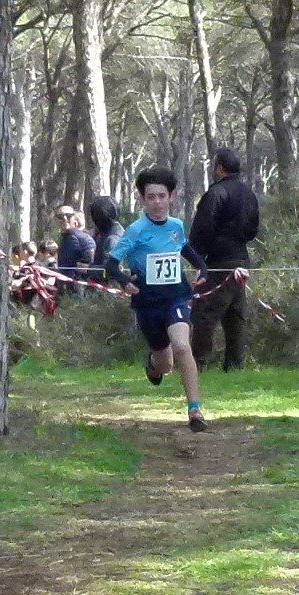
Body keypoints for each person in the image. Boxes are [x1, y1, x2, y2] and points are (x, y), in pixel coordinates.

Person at [106, 166, 209, 432]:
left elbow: (184, 249)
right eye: (151, 197)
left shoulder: (176, 226)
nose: (157, 202)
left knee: (182, 346)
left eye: (162, 196)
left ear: (171, 197)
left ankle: (195, 410)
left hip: (176, 297)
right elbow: (111, 264)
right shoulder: (136, 230)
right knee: (165, 364)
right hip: (148, 303)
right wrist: (125, 281)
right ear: (143, 199)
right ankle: (153, 365)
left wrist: (202, 267)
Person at [188, 148, 260, 371]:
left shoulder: (216, 193)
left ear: (220, 168)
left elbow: (203, 228)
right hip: (241, 260)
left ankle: (197, 364)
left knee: (204, 313)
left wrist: (197, 256)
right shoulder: (249, 194)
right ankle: (235, 365)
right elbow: (253, 229)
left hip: (218, 263)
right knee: (235, 315)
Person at [55, 204, 95, 283]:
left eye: (68, 216)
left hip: (81, 287)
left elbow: (92, 269)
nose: (65, 219)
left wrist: (75, 267)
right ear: (55, 220)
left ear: (74, 219)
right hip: (64, 286)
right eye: (60, 217)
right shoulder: (63, 239)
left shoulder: (84, 239)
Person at [89, 196, 124, 281]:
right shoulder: (104, 234)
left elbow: (110, 271)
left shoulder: (113, 239)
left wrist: (87, 269)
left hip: (110, 288)